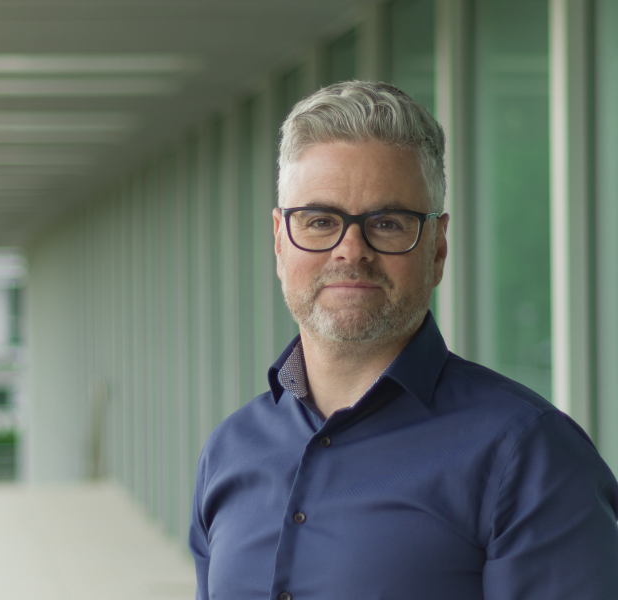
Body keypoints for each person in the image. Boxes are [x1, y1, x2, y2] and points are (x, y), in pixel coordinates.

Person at [188, 81, 618, 600]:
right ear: (280, 241)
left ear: (437, 247)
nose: (351, 251)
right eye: (320, 221)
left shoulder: (529, 456)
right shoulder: (229, 452)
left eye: (387, 223)